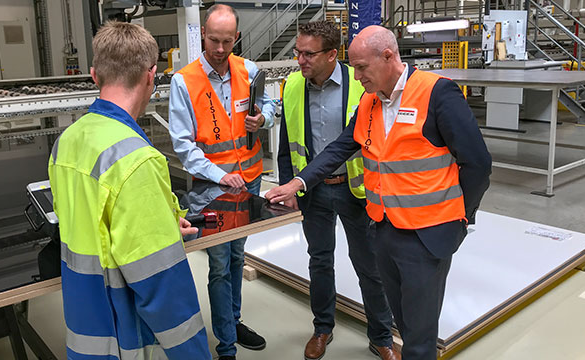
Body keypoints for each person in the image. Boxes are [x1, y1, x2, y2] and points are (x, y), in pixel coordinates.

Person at [266, 25, 492, 360]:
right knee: (404, 323)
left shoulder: (437, 93)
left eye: (361, 67)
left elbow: (478, 165)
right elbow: (339, 149)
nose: (356, 77)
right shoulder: (371, 103)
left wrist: (461, 218)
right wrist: (298, 183)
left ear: (388, 57)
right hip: (384, 229)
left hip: (427, 235)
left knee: (418, 339)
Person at [48, 21, 211, 360]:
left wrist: (161, 223)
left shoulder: (66, 142)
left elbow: (93, 226)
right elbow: (162, 286)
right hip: (127, 340)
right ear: (151, 76)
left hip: (87, 332)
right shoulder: (134, 158)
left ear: (94, 75)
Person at [278, 20, 398, 360]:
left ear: (332, 54)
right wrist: (291, 189)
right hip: (312, 194)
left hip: (356, 190)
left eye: (308, 54)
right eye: (297, 52)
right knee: (319, 262)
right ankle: (322, 329)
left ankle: (381, 336)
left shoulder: (362, 84)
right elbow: (287, 146)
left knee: (369, 266)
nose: (300, 60)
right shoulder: (291, 88)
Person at [168, 4, 276, 360]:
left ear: (237, 38)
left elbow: (271, 107)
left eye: (227, 41)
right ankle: (226, 344)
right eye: (214, 40)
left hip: (249, 183)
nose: (219, 48)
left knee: (237, 255)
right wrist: (219, 175)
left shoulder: (250, 70)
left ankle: (233, 319)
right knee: (218, 263)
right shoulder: (184, 81)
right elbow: (183, 146)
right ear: (203, 34)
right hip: (212, 190)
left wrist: (263, 119)